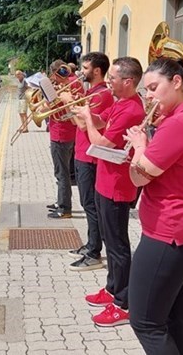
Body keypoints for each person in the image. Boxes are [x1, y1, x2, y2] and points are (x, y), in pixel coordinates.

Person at [124, 57, 183, 355]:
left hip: (170, 233)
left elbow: (138, 177)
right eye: (146, 90)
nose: (148, 96)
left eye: (153, 88)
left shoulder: (179, 123)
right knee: (176, 316)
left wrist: (140, 146)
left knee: (145, 322)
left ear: (177, 82)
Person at [74, 56, 145, 326]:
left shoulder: (131, 109)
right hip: (106, 181)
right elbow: (103, 122)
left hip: (117, 185)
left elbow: (101, 141)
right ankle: (113, 287)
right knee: (109, 237)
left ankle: (123, 302)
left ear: (127, 82)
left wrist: (88, 123)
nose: (109, 83)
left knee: (117, 245)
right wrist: (85, 112)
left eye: (113, 78)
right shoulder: (121, 102)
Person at [67, 52, 114, 271]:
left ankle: (94, 251)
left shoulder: (102, 94)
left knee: (90, 205)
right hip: (82, 153)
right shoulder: (92, 92)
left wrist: (69, 105)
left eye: (85, 68)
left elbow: (85, 125)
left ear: (96, 71)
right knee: (87, 204)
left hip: (90, 156)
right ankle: (90, 244)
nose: (80, 72)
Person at [46, 60, 78, 219]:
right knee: (60, 171)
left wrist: (56, 97)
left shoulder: (70, 84)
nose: (54, 78)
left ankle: (65, 208)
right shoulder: (70, 83)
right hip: (60, 131)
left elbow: (72, 110)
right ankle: (60, 201)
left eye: (54, 75)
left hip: (62, 133)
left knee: (62, 172)